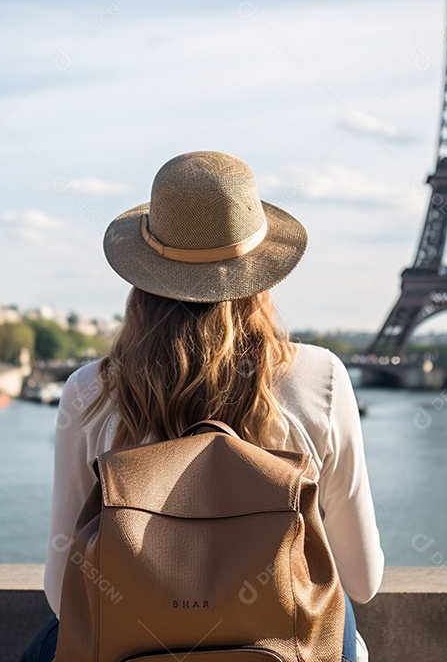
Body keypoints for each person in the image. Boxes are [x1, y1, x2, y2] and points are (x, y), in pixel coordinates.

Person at [23, 151, 384, 662]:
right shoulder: (321, 377)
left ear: (141, 278)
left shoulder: (90, 391)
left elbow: (63, 593)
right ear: (262, 274)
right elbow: (362, 582)